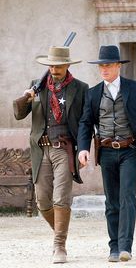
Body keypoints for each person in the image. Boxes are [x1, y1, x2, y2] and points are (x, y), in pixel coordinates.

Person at [13, 46, 88, 264]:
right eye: (51, 66)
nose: (54, 69)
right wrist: (27, 97)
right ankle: (61, 231)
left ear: (67, 66)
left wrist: (83, 149)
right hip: (40, 149)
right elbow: (18, 115)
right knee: (43, 200)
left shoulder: (80, 88)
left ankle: (59, 246)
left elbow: (85, 123)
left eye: (58, 65)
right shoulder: (37, 86)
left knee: (61, 197)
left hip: (64, 149)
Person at [78, 45, 136, 262]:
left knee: (127, 197)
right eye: (101, 65)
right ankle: (114, 247)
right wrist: (83, 148)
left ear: (118, 66)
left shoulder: (135, 88)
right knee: (112, 201)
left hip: (130, 150)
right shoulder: (92, 93)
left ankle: (125, 247)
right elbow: (85, 123)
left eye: (108, 65)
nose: (104, 69)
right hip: (107, 152)